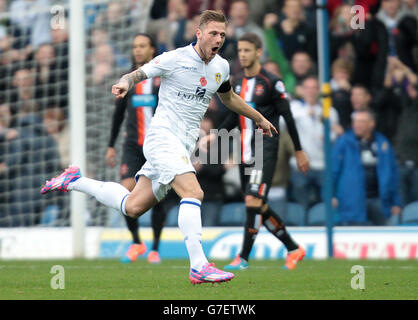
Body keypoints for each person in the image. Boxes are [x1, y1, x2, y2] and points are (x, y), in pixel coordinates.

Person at [41, 10, 278, 285]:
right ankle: (199, 265)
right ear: (198, 33)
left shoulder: (221, 66)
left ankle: (75, 180)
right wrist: (125, 82)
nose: (219, 39)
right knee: (193, 191)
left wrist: (259, 117)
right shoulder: (174, 58)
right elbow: (139, 72)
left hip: (182, 145)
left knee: (132, 207)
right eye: (213, 33)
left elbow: (229, 98)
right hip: (163, 139)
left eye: (223, 34)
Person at [200, 33, 310, 271]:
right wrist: (214, 135)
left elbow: (287, 117)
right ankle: (293, 248)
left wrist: (299, 151)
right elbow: (232, 116)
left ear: (258, 52)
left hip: (265, 149)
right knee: (256, 204)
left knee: (253, 200)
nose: (242, 55)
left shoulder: (271, 82)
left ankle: (243, 257)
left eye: (247, 50)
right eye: (240, 51)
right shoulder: (237, 82)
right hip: (244, 151)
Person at [105, 33, 166, 264]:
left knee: (157, 197)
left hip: (158, 145)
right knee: (126, 190)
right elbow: (118, 114)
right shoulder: (128, 80)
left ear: (153, 50)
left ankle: (156, 249)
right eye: (135, 46)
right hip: (133, 145)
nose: (138, 50)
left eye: (142, 46)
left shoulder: (162, 78)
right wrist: (111, 145)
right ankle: (137, 242)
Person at [332, 109, 402, 225]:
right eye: (355, 121)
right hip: (352, 201)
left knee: (383, 238)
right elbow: (333, 171)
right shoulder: (343, 143)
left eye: (361, 122)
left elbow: (393, 174)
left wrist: (396, 202)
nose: (357, 125)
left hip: (379, 201)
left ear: (372, 123)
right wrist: (332, 195)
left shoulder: (383, 143)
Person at [289, 76, 342, 210]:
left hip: (322, 164)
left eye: (314, 88)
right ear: (302, 90)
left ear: (318, 90)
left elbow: (335, 135)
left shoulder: (329, 111)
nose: (311, 91)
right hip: (300, 165)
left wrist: (330, 136)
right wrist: (306, 113)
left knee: (325, 204)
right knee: (301, 205)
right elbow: (283, 124)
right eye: (307, 88)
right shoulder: (294, 108)